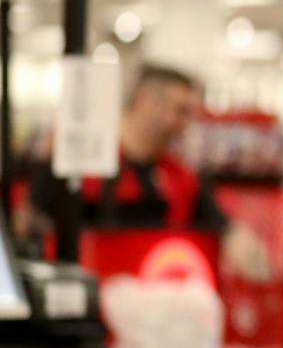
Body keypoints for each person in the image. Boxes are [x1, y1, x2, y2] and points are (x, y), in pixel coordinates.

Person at [30, 63, 268, 280]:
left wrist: (237, 237)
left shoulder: (182, 177)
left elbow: (220, 223)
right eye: (179, 110)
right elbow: (33, 219)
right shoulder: (85, 163)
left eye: (190, 114)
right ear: (145, 101)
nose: (185, 123)